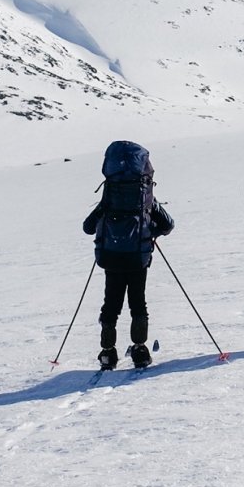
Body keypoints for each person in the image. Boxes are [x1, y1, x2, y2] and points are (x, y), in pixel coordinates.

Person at [83, 141, 175, 370]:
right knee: (138, 303)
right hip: (137, 257)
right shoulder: (145, 199)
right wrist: (148, 232)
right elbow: (168, 225)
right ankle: (140, 351)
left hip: (111, 257)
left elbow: (87, 227)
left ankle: (107, 353)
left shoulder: (109, 199)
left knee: (111, 304)